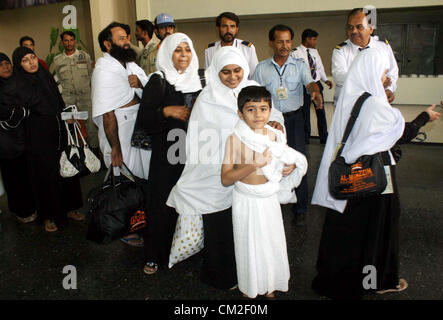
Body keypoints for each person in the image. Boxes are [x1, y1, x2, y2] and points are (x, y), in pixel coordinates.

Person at [311, 48, 441, 300]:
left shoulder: (353, 97)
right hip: (376, 177)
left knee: (349, 232)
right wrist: (425, 116)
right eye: (383, 73)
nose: (386, 79)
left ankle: (335, 281)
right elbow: (402, 133)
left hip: (352, 178)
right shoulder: (374, 103)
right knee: (381, 229)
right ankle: (379, 280)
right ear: (371, 72)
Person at [167, 46, 286, 290]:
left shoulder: (250, 90)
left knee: (243, 229)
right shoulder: (207, 99)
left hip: (248, 176)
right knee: (220, 230)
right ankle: (220, 276)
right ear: (215, 72)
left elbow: (273, 113)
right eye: (225, 72)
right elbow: (200, 142)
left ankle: (248, 274)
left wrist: (275, 122)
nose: (233, 77)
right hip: (215, 174)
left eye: (237, 70)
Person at [221, 85, 307, 299]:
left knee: (271, 242)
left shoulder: (275, 136)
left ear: (270, 111)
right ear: (240, 113)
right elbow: (225, 178)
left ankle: (270, 283)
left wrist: (290, 167)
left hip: (268, 198)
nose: (258, 115)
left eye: (263, 109)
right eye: (251, 109)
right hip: (246, 200)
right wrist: (252, 164)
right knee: (249, 245)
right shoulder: (235, 138)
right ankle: (249, 287)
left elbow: (283, 161)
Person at [133, 33, 202, 274]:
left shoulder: (198, 79)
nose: (184, 55)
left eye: (188, 50)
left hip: (193, 152)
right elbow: (144, 120)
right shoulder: (158, 80)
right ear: (168, 53)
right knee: (160, 204)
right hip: (167, 153)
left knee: (187, 202)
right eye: (178, 50)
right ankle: (154, 255)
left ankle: (182, 247)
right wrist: (166, 111)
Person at [253, 24, 323, 226]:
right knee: (268, 161)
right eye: (280, 41)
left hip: (293, 120)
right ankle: (271, 203)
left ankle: (300, 207)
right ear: (271, 43)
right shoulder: (261, 68)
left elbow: (309, 82)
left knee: (297, 160)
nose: (284, 45)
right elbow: (255, 94)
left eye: (288, 41)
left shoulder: (299, 65)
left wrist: (315, 92)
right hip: (270, 122)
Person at [12, 46, 84, 232]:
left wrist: (67, 118)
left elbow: (58, 100)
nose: (31, 62)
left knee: (66, 168)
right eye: (25, 60)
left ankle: (69, 208)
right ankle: (49, 216)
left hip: (59, 130)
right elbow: (28, 105)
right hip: (38, 137)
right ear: (19, 65)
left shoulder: (45, 75)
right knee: (46, 175)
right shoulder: (18, 83)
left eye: (33, 57)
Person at [332, 8, 398, 105]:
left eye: (359, 27)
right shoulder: (341, 50)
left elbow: (392, 72)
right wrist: (375, 80)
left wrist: (389, 89)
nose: (354, 31)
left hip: (377, 104)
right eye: (350, 27)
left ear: (371, 29)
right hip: (348, 107)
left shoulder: (383, 47)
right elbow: (339, 77)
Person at [0, 52, 36, 223]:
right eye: (0, 65)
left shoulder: (20, 82)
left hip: (25, 136)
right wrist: (19, 112)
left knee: (27, 174)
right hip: (6, 142)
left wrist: (18, 112)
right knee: (14, 177)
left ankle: (32, 206)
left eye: (7, 63)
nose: (5, 67)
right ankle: (20, 210)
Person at [53, 31, 97, 149]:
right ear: (62, 43)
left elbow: (90, 75)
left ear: (75, 41)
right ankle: (76, 155)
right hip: (68, 99)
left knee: (91, 127)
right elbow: (59, 78)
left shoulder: (84, 56)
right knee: (70, 128)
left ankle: (95, 153)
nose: (69, 43)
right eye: (66, 40)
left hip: (85, 99)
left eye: (71, 40)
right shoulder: (58, 60)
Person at [292, 29, 332, 144]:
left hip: (316, 84)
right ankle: (305, 138)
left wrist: (325, 80)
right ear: (307, 39)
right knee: (305, 113)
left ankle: (324, 137)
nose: (315, 42)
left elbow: (320, 67)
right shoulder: (295, 52)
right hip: (304, 86)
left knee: (320, 111)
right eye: (313, 39)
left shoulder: (314, 52)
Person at [205, 12, 258, 79]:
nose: (228, 30)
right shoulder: (210, 50)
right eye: (224, 26)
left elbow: (254, 76)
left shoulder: (247, 48)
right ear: (218, 29)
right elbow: (208, 77)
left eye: (232, 26)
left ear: (237, 29)